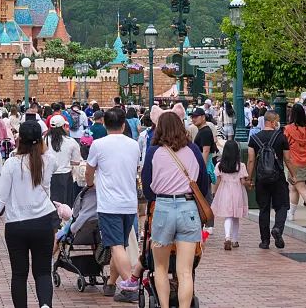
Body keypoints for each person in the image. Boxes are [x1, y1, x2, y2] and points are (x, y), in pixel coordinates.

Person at [141, 111, 209, 308]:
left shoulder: (154, 151)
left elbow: (147, 186)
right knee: (185, 271)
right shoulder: (193, 149)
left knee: (160, 267)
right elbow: (203, 183)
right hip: (188, 207)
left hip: (163, 206)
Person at [0, 121, 58, 308]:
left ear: (19, 139)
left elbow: (0, 198)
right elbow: (48, 157)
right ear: (40, 140)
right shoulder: (49, 161)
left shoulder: (11, 164)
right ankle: (45, 305)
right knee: (43, 272)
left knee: (19, 274)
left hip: (16, 225)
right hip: (43, 222)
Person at [87, 108, 143, 303]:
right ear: (124, 124)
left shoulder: (98, 145)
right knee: (120, 246)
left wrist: (90, 184)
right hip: (129, 203)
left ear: (104, 123)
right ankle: (111, 283)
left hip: (109, 204)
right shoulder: (134, 145)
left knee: (116, 245)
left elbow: (89, 170)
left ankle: (129, 285)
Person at [248, 110, 290, 249]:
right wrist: (293, 175)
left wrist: (249, 178)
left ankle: (265, 241)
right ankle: (277, 228)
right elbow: (287, 159)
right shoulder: (281, 137)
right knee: (282, 205)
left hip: (261, 178)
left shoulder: (254, 138)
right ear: (271, 122)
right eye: (276, 121)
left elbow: (251, 160)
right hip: (278, 177)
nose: (278, 123)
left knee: (264, 208)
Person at [211, 139, 249, 250]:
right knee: (236, 217)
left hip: (224, 192)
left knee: (228, 216)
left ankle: (227, 237)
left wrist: (214, 193)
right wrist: (249, 183)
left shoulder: (220, 165)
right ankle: (235, 240)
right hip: (237, 192)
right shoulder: (241, 166)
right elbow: (243, 182)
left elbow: (217, 181)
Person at [46, 114, 82, 207]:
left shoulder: (43, 140)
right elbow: (76, 162)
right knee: (65, 205)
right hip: (64, 177)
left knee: (49, 204)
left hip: (47, 176)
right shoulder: (71, 141)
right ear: (63, 126)